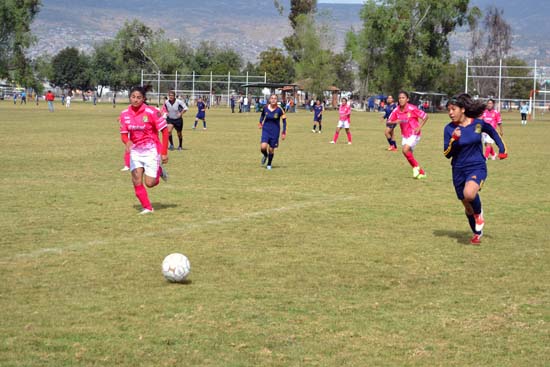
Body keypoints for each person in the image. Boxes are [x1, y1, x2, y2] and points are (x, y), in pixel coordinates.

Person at [444, 93, 507, 245]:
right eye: (448, 110)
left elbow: (491, 131)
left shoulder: (477, 124)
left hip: (476, 166)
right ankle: (477, 233)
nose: (450, 113)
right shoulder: (449, 129)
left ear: (463, 109)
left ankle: (479, 214)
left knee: (469, 194)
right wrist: (454, 140)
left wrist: (502, 148)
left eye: (453, 109)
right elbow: (447, 154)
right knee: (467, 205)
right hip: (458, 169)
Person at [119, 86, 169, 214]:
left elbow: (164, 131)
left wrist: (164, 153)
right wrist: (127, 141)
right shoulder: (124, 114)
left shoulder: (152, 112)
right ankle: (147, 207)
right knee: (136, 180)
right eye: (133, 97)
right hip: (135, 152)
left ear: (143, 99)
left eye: (138, 97)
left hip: (151, 150)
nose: (135, 100)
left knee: (150, 183)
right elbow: (124, 134)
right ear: (130, 97)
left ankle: (159, 170)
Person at [388, 91, 429, 179]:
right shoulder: (396, 110)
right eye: (399, 98)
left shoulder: (412, 108)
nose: (401, 100)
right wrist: (396, 121)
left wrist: (419, 127)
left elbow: (425, 116)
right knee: (407, 153)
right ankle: (421, 173)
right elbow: (388, 122)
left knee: (405, 150)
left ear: (407, 99)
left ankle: (415, 167)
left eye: (403, 98)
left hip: (414, 133)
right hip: (405, 135)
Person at [259, 94, 287, 170]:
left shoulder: (280, 109)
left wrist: (284, 132)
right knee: (263, 147)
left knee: (271, 149)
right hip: (266, 130)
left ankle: (269, 164)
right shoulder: (265, 108)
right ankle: (265, 155)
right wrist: (260, 122)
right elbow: (262, 116)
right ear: (269, 100)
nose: (273, 100)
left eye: (275, 98)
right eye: (272, 98)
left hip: (275, 132)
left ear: (277, 100)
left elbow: (284, 121)